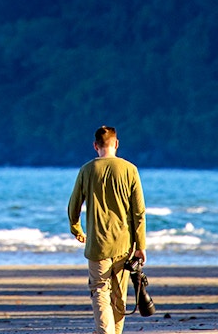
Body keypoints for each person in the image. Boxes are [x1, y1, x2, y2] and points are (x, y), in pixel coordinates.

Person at [67, 125, 147, 334]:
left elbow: (74, 206)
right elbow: (139, 212)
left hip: (97, 245)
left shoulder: (87, 170)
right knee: (119, 297)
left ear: (95, 146)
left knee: (100, 291)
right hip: (124, 244)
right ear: (116, 144)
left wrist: (77, 229)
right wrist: (141, 246)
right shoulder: (130, 170)